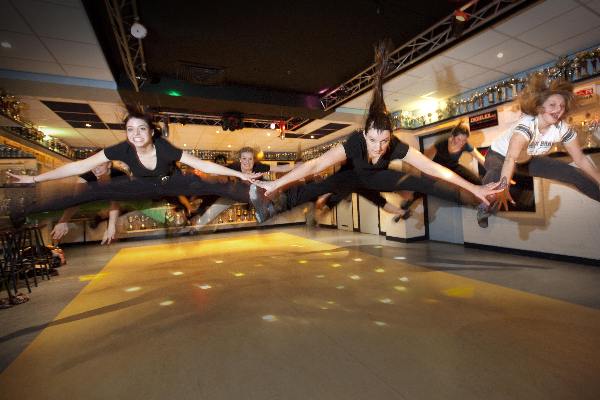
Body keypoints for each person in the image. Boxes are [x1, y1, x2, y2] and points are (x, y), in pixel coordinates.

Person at [249, 41, 503, 223]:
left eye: (383, 141)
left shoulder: (394, 146)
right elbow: (315, 164)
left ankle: (478, 202)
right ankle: (276, 205)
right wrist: (276, 184)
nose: (378, 147)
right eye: (372, 140)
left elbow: (435, 168)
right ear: (364, 134)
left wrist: (475, 187)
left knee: (423, 181)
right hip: (354, 176)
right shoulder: (355, 143)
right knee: (325, 183)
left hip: (379, 177)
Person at [7, 111, 264, 222]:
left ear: (151, 131)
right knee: (89, 192)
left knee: (211, 184)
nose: (136, 134)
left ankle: (263, 197)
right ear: (127, 133)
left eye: (141, 129)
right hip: (140, 186)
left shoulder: (165, 148)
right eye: (130, 130)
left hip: (173, 182)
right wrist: (34, 180)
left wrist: (239, 174)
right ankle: (25, 210)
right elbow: (77, 167)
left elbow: (203, 164)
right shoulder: (119, 150)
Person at [476, 74, 600, 228]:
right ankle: (483, 206)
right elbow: (510, 159)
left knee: (573, 173)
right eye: (552, 105)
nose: (558, 111)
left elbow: (580, 159)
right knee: (496, 173)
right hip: (499, 155)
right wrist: (504, 186)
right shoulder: (526, 126)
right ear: (539, 107)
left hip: (528, 159)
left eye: (561, 106)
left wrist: (598, 178)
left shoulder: (561, 128)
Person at [191, 147, 292, 229]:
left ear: (253, 160)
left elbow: (281, 168)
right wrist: (202, 173)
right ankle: (198, 225)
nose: (247, 162)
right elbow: (215, 171)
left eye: (250, 159)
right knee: (221, 202)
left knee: (264, 190)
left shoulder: (258, 167)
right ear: (240, 160)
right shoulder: (234, 166)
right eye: (244, 159)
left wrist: (299, 167)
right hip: (237, 192)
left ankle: (270, 213)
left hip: (255, 192)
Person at [400, 121, 486, 210]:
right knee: (428, 186)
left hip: (453, 166)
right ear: (453, 137)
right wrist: (423, 172)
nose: (461, 143)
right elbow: (426, 160)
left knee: (476, 180)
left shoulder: (466, 145)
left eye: (464, 140)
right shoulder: (442, 143)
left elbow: (480, 158)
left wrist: (493, 169)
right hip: (439, 169)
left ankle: (483, 204)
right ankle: (410, 199)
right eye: (459, 139)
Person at [50, 161, 124, 245]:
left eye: (100, 165)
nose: (96, 169)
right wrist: (63, 221)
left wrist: (111, 226)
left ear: (109, 165)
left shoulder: (119, 175)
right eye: (93, 165)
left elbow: (115, 201)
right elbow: (77, 200)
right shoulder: (85, 177)